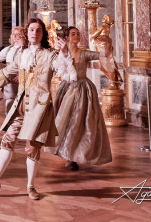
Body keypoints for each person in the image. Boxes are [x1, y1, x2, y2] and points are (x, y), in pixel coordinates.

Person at [0, 18, 58, 201]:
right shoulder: (22, 55)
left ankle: (31, 186)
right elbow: (8, 71)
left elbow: (61, 67)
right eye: (31, 30)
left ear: (42, 34)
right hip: (21, 106)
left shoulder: (50, 54)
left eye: (38, 31)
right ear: (27, 33)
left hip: (40, 109)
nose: (34, 34)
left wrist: (66, 54)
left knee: (33, 148)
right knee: (8, 139)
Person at [46, 27, 112, 169]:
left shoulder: (84, 53)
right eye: (73, 34)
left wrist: (108, 42)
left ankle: (77, 155)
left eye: (78, 34)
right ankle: (67, 154)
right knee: (65, 123)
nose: (76, 36)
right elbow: (56, 69)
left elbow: (104, 55)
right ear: (67, 37)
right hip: (66, 89)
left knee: (80, 123)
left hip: (83, 90)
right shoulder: (61, 53)